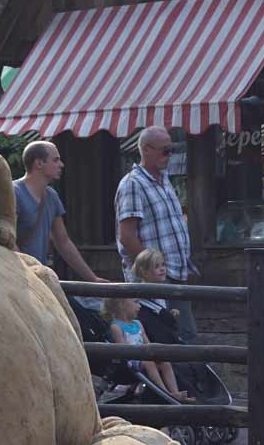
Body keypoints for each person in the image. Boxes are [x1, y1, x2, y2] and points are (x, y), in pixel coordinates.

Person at [117, 127, 196, 342]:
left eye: (171, 150)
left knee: (181, 336)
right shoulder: (133, 184)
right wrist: (152, 269)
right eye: (165, 151)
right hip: (154, 277)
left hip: (173, 272)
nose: (169, 155)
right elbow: (127, 236)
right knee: (168, 338)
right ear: (146, 149)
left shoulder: (164, 179)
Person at [13, 140, 104, 281]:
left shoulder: (51, 196)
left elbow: (63, 241)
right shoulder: (13, 193)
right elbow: (8, 240)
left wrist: (92, 278)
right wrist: (28, 274)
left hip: (38, 277)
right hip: (17, 276)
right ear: (39, 163)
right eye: (55, 160)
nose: (61, 165)